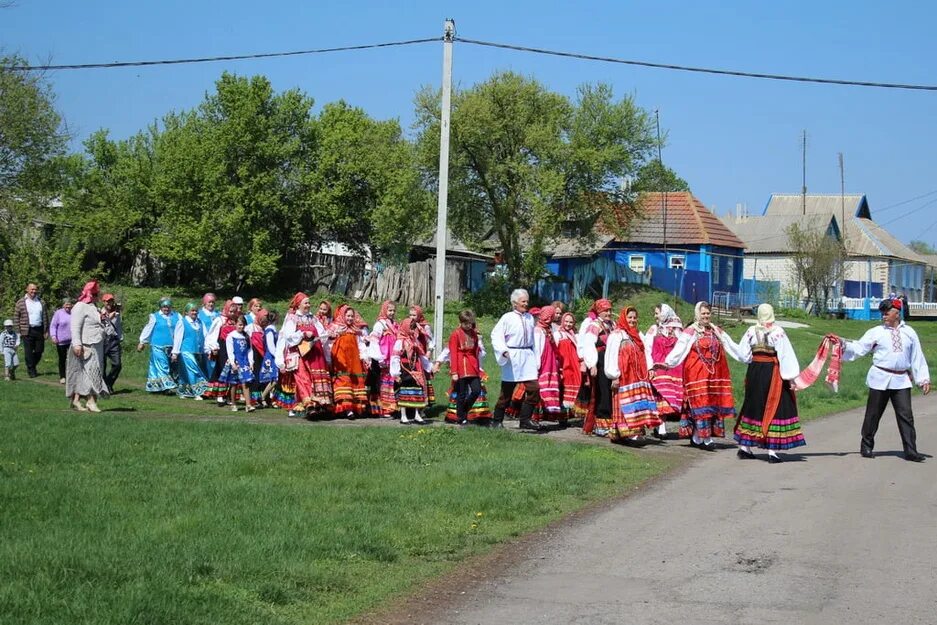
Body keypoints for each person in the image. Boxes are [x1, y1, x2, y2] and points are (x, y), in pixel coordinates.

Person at [840, 298, 930, 462]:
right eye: (882, 313)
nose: (883, 316)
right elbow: (860, 348)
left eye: (887, 313)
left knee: (906, 415)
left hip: (901, 379)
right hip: (880, 377)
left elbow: (917, 356)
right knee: (873, 414)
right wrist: (843, 345)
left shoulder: (909, 332)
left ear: (897, 313)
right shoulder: (876, 332)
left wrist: (923, 379)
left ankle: (911, 450)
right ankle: (866, 446)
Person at [720, 304, 805, 463]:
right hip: (772, 372)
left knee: (753, 406)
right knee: (775, 407)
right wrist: (791, 377)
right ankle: (772, 451)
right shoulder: (778, 332)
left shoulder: (751, 331)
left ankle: (745, 448)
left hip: (754, 372)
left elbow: (743, 355)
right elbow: (785, 356)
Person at [658, 301, 735, 451]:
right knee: (701, 404)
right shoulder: (690, 331)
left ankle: (696, 437)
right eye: (703, 313)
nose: (706, 316)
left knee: (710, 405)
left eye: (708, 313)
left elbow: (730, 344)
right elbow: (680, 348)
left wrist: (747, 356)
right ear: (697, 314)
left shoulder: (715, 330)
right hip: (696, 374)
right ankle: (706, 438)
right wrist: (668, 362)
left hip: (713, 375)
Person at [603, 306, 662, 444]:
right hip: (624, 377)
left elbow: (645, 352)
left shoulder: (638, 335)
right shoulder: (617, 335)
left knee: (636, 405)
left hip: (638, 377)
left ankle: (634, 433)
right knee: (624, 404)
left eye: (635, 318)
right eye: (630, 317)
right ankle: (625, 434)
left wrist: (650, 368)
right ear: (624, 317)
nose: (633, 320)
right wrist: (614, 375)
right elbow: (611, 356)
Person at [490, 288, 541, 431]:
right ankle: (497, 420)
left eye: (527, 301)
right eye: (523, 301)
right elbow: (496, 335)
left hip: (527, 355)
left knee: (534, 388)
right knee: (507, 392)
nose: (526, 304)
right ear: (515, 303)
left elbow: (533, 340)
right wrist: (503, 351)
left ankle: (525, 419)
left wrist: (536, 357)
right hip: (513, 356)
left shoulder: (530, 318)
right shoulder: (507, 318)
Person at [275, 292, 333, 418]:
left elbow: (322, 335)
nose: (308, 305)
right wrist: (302, 333)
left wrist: (329, 334)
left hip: (313, 354)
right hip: (298, 354)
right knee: (303, 379)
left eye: (308, 302)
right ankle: (308, 405)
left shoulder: (313, 318)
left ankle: (315, 405)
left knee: (313, 379)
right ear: (298, 304)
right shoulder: (292, 318)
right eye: (305, 303)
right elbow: (287, 337)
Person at [439, 309, 488, 425]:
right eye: (466, 323)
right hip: (461, 366)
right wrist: (454, 372)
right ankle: (461, 417)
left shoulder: (474, 334)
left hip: (472, 365)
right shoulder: (455, 334)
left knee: (476, 390)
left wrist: (479, 368)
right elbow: (453, 353)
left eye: (470, 323)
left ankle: (464, 409)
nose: (468, 326)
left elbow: (476, 351)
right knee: (461, 393)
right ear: (461, 322)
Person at [644, 303, 685, 438]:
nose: (655, 316)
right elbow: (647, 349)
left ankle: (663, 426)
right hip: (658, 367)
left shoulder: (677, 329)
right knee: (660, 396)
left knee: (669, 398)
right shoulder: (654, 329)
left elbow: (683, 347)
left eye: (657, 313)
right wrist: (649, 367)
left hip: (674, 368)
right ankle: (660, 427)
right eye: (655, 313)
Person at [66, 281, 107, 412]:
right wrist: (77, 344)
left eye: (97, 294)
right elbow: (75, 326)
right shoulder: (80, 306)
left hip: (97, 344)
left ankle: (76, 400)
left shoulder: (94, 307)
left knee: (90, 372)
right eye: (94, 294)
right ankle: (91, 401)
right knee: (91, 373)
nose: (96, 296)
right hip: (86, 344)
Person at [578, 299, 615, 436]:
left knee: (611, 391)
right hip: (600, 360)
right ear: (599, 311)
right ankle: (601, 424)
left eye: (610, 310)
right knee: (602, 391)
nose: (609, 313)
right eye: (606, 310)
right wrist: (592, 364)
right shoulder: (594, 325)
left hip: (611, 360)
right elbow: (588, 345)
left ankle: (611, 421)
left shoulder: (613, 324)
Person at [329, 305, 369, 418]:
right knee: (343, 380)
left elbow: (360, 344)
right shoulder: (336, 327)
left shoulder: (356, 330)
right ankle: (347, 409)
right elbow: (329, 342)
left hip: (354, 359)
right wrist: (329, 358)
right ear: (343, 315)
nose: (350, 318)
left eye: (352, 316)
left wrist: (364, 357)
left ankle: (355, 407)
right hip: (341, 359)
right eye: (348, 316)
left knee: (355, 381)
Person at [391, 318, 432, 424]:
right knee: (405, 391)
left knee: (417, 391)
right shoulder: (400, 341)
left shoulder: (415, 341)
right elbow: (395, 357)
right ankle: (403, 416)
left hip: (416, 369)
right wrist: (395, 373)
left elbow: (421, 355)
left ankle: (417, 415)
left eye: (414, 328)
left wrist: (429, 367)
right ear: (405, 328)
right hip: (405, 369)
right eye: (411, 328)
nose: (413, 330)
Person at [137, 298, 181, 393]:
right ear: (161, 307)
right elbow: (148, 329)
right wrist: (142, 341)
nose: (166, 309)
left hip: (172, 346)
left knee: (163, 367)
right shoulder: (155, 317)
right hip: (158, 346)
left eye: (168, 307)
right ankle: (167, 387)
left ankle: (155, 387)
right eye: (164, 307)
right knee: (163, 366)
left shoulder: (177, 316)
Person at [367, 301, 399, 417]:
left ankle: (391, 407)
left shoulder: (395, 324)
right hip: (383, 358)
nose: (392, 313)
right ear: (385, 310)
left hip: (393, 358)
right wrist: (378, 357)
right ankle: (384, 408)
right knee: (384, 383)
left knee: (392, 382)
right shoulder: (380, 324)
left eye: (393, 311)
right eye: (390, 310)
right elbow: (374, 341)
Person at [171, 302, 209, 400]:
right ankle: (198, 392)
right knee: (194, 370)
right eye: (192, 310)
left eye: (196, 310)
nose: (194, 312)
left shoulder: (200, 322)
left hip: (198, 351)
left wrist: (207, 349)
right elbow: (178, 338)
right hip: (186, 351)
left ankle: (183, 391)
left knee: (185, 372)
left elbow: (206, 336)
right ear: (187, 312)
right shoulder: (182, 322)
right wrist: (175, 352)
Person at [217, 314, 255, 411]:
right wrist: (233, 363)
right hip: (235, 362)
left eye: (242, 325)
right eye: (239, 325)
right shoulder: (231, 336)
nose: (241, 327)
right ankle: (233, 404)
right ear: (236, 324)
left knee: (245, 382)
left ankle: (248, 405)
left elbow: (249, 350)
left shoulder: (247, 336)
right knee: (233, 383)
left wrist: (251, 362)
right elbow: (230, 350)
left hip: (244, 362)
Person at [204, 300, 237, 405]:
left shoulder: (235, 321)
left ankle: (227, 395)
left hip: (233, 348)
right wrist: (213, 347)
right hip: (222, 348)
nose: (232, 314)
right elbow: (212, 334)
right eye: (230, 311)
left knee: (231, 371)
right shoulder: (220, 320)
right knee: (222, 370)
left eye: (233, 312)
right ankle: (219, 395)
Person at [533, 305, 563, 421]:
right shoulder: (538, 330)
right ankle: (535, 416)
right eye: (548, 316)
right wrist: (537, 365)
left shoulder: (548, 330)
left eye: (550, 316)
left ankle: (546, 414)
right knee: (540, 389)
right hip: (542, 363)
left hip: (550, 364)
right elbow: (537, 349)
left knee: (548, 387)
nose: (548, 318)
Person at [13, 283, 49, 378]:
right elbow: (16, 317)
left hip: (39, 329)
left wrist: (46, 330)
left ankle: (31, 365)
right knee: (28, 352)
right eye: (32, 289)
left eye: (35, 289)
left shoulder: (41, 302)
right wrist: (18, 331)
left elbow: (45, 316)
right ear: (27, 290)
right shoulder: (21, 302)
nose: (34, 291)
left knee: (39, 350)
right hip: (27, 330)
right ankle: (31, 370)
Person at [555, 312, 586, 421]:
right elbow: (556, 351)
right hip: (564, 365)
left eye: (571, 322)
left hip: (575, 366)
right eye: (566, 321)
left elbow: (580, 350)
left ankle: (569, 415)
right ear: (562, 321)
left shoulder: (575, 335)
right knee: (563, 389)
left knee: (573, 388)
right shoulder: (558, 334)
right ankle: (562, 418)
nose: (568, 324)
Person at [100, 293, 124, 393]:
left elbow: (122, 307)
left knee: (117, 364)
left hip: (114, 340)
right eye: (106, 301)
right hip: (103, 340)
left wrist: (118, 309)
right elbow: (101, 320)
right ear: (103, 302)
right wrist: (110, 316)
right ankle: (104, 387)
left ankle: (108, 383)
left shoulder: (117, 311)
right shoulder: (99, 311)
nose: (109, 303)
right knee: (102, 365)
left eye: (110, 301)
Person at [255, 311, 280, 406]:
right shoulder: (270, 330)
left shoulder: (272, 329)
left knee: (274, 378)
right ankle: (262, 397)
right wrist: (277, 355)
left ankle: (268, 398)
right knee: (275, 378)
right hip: (271, 356)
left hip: (273, 355)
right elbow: (271, 346)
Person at [49, 298, 73, 384]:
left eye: (69, 305)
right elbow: (53, 326)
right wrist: (53, 336)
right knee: (62, 359)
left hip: (72, 341)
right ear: (63, 305)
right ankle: (62, 376)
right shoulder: (58, 313)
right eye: (66, 305)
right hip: (61, 341)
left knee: (72, 359)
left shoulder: (74, 313)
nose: (68, 306)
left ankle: (71, 376)